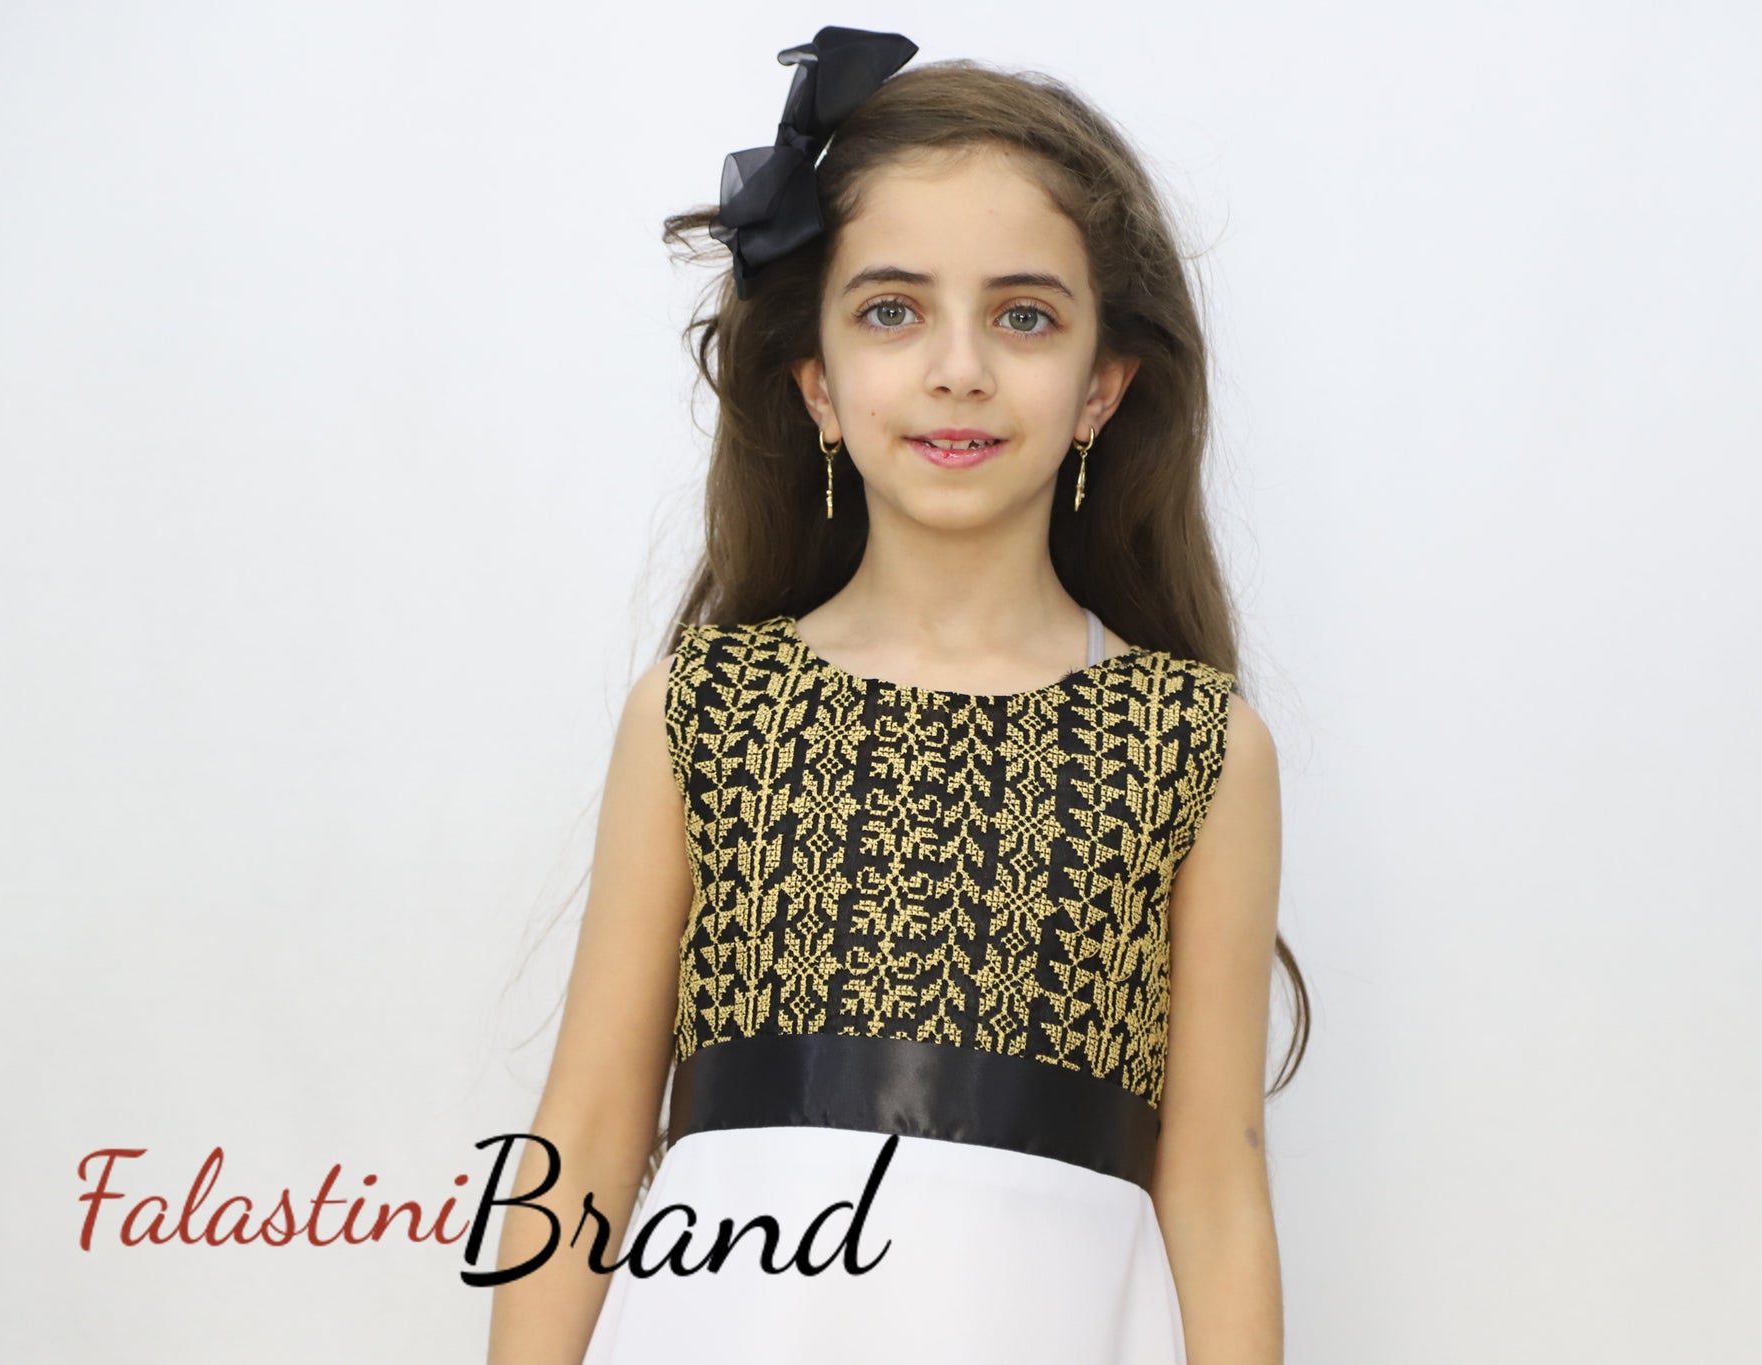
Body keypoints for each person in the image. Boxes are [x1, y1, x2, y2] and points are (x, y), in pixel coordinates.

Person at [486, 25, 1307, 1365]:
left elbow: (1216, 1191)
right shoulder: (706, 713)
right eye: (892, 310)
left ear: (1103, 387)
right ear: (817, 382)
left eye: (1024, 315)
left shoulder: (1195, 747)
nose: (958, 367)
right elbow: (584, 1132)